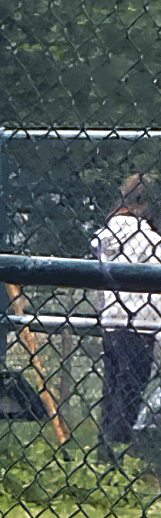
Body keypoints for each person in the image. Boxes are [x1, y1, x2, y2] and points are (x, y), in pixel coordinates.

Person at [93, 174, 161, 456]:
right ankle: (119, 449)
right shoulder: (150, 240)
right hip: (141, 323)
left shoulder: (105, 236)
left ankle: (104, 449)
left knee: (112, 387)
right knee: (131, 388)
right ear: (142, 203)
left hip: (111, 321)